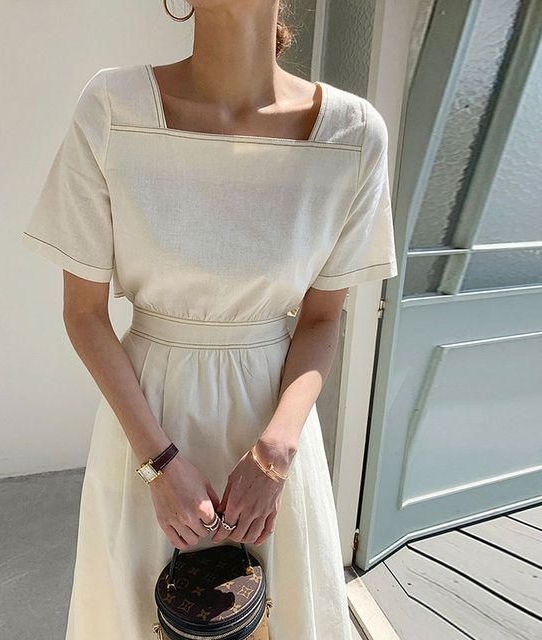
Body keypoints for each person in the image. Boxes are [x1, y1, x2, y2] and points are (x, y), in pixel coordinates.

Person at [21, 1, 398, 638]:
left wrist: (276, 451)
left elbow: (322, 318)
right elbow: (83, 314)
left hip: (274, 428)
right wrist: (159, 463)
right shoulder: (114, 109)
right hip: (147, 420)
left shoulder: (352, 133)